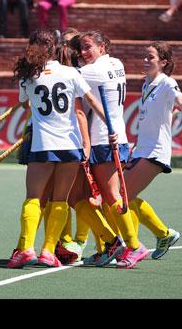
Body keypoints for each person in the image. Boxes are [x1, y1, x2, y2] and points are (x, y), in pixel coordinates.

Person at [7, 29, 124, 268]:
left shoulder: (27, 76)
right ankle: (48, 252)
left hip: (42, 146)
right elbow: (90, 101)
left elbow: (23, 104)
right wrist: (111, 128)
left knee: (33, 198)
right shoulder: (71, 72)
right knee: (60, 200)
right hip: (70, 147)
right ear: (55, 48)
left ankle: (26, 248)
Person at [123, 41, 182, 259]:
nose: (145, 60)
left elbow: (181, 101)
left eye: (150, 57)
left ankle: (133, 248)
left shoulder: (167, 83)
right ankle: (163, 234)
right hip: (142, 148)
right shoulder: (146, 85)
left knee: (123, 195)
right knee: (125, 196)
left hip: (156, 150)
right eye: (145, 56)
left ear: (163, 62)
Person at [71, 30, 149, 269]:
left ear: (102, 46)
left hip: (104, 139)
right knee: (102, 198)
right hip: (113, 135)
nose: (83, 54)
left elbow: (67, 78)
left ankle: (135, 247)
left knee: (113, 197)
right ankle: (111, 246)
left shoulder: (92, 70)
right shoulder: (117, 63)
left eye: (88, 47)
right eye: (80, 49)